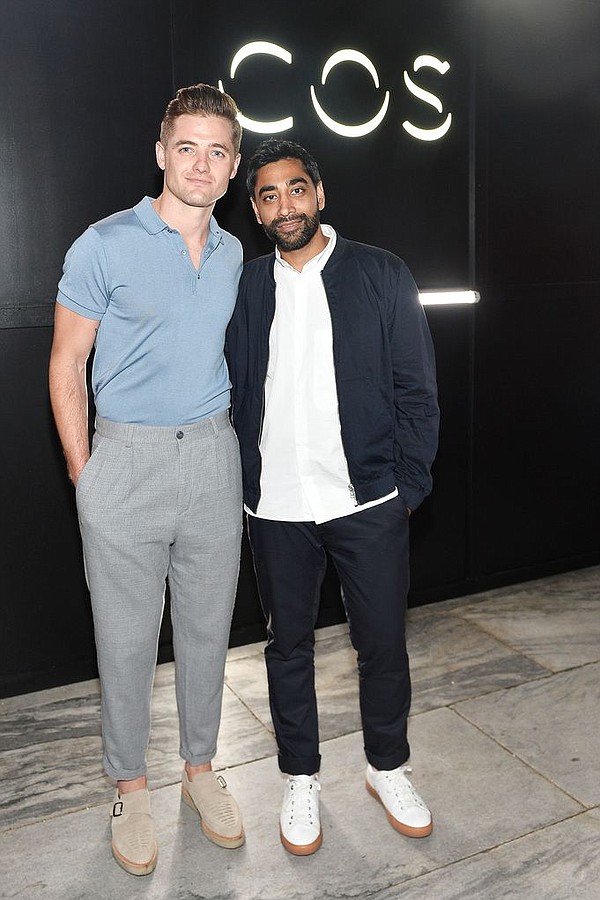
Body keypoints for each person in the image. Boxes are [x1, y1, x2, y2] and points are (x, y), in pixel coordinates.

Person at [49, 84, 245, 876]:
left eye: (218, 150)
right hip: (122, 464)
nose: (201, 163)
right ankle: (130, 785)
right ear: (162, 153)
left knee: (208, 632)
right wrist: (85, 477)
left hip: (211, 457)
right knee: (125, 643)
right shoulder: (102, 244)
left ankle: (200, 770)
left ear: (232, 167)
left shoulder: (235, 253)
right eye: (187, 146)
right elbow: (66, 362)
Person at [226, 138, 439, 856]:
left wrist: (408, 486)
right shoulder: (248, 287)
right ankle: (299, 777)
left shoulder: (381, 273)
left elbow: (416, 387)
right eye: (267, 195)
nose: (283, 205)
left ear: (319, 194)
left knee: (381, 643)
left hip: (368, 501)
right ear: (254, 209)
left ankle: (388, 767)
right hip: (276, 509)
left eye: (294, 190)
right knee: (287, 649)